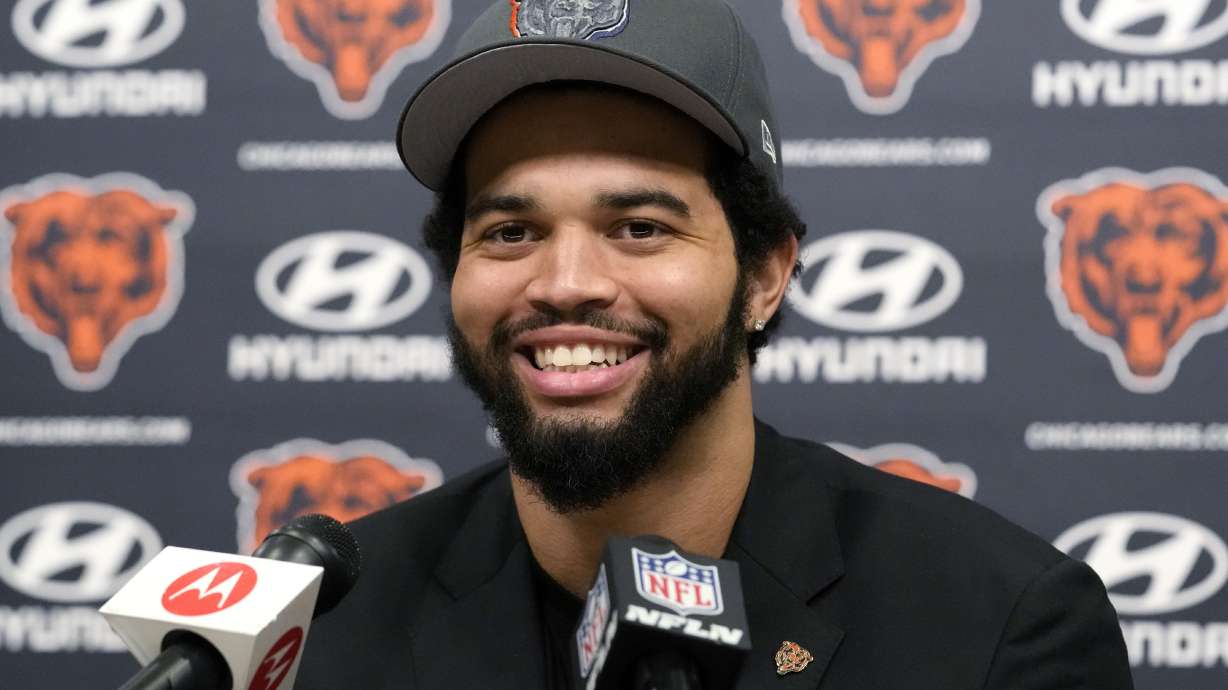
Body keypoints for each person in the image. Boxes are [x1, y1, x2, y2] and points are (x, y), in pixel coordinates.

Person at [296, 1, 1133, 688]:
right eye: (512, 232)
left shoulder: (999, 629)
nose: (564, 282)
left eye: (639, 227)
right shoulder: (324, 625)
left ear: (765, 276)